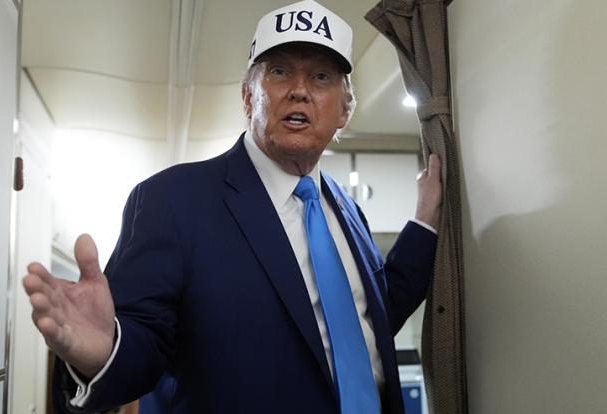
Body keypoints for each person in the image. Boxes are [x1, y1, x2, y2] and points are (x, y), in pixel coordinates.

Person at [23, 1, 442, 413]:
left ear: (345, 110)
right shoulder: (171, 200)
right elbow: (144, 341)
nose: (299, 90)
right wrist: (105, 353)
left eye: (321, 76)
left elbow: (365, 319)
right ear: (247, 96)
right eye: (279, 72)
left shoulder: (348, 209)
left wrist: (425, 223)